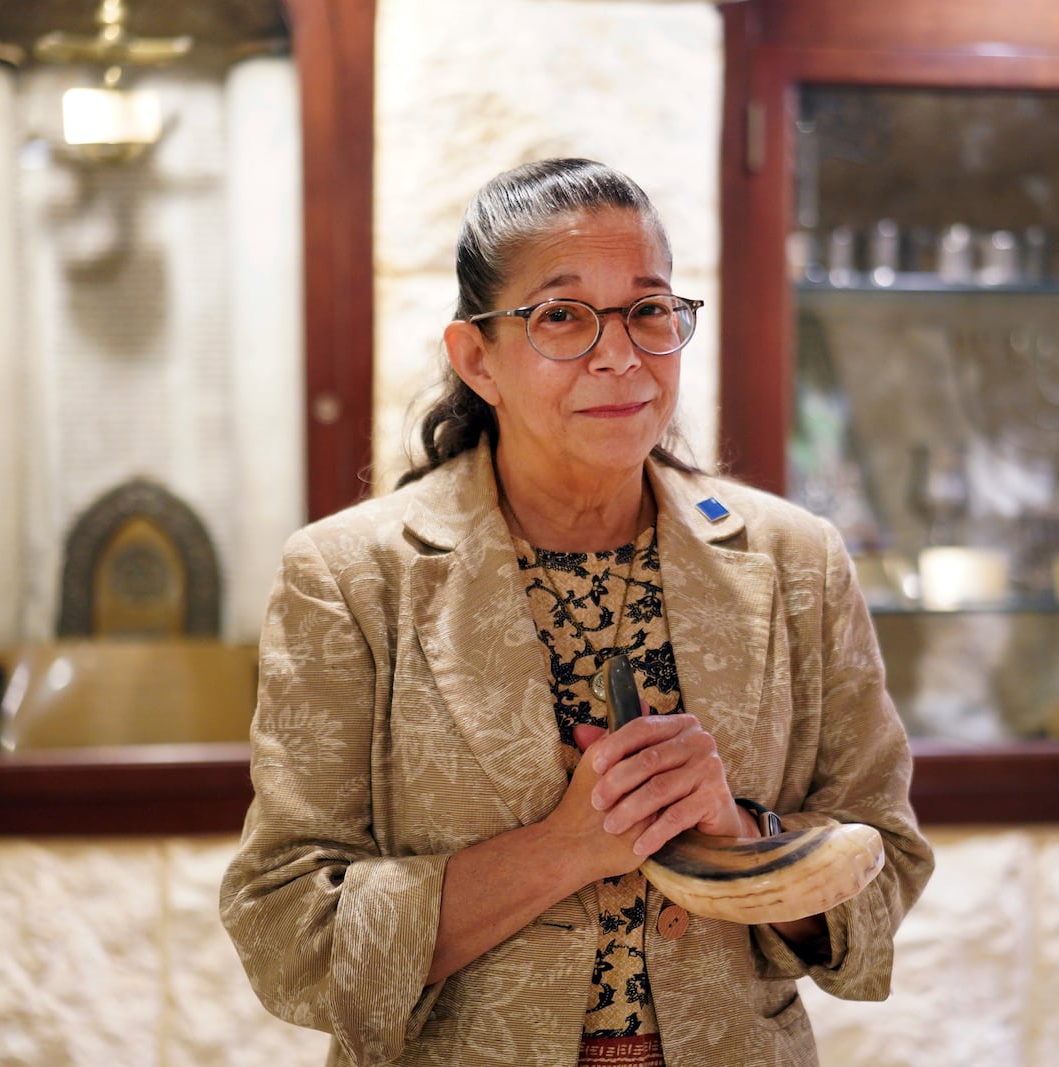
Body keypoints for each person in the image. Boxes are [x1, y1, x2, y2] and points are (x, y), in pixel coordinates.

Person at [220, 158, 934, 1067]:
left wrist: (745, 838)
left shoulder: (796, 561)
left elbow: (886, 866)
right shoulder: (354, 576)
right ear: (477, 357)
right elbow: (287, 927)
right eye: (561, 315)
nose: (620, 353)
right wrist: (566, 849)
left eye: (648, 309)